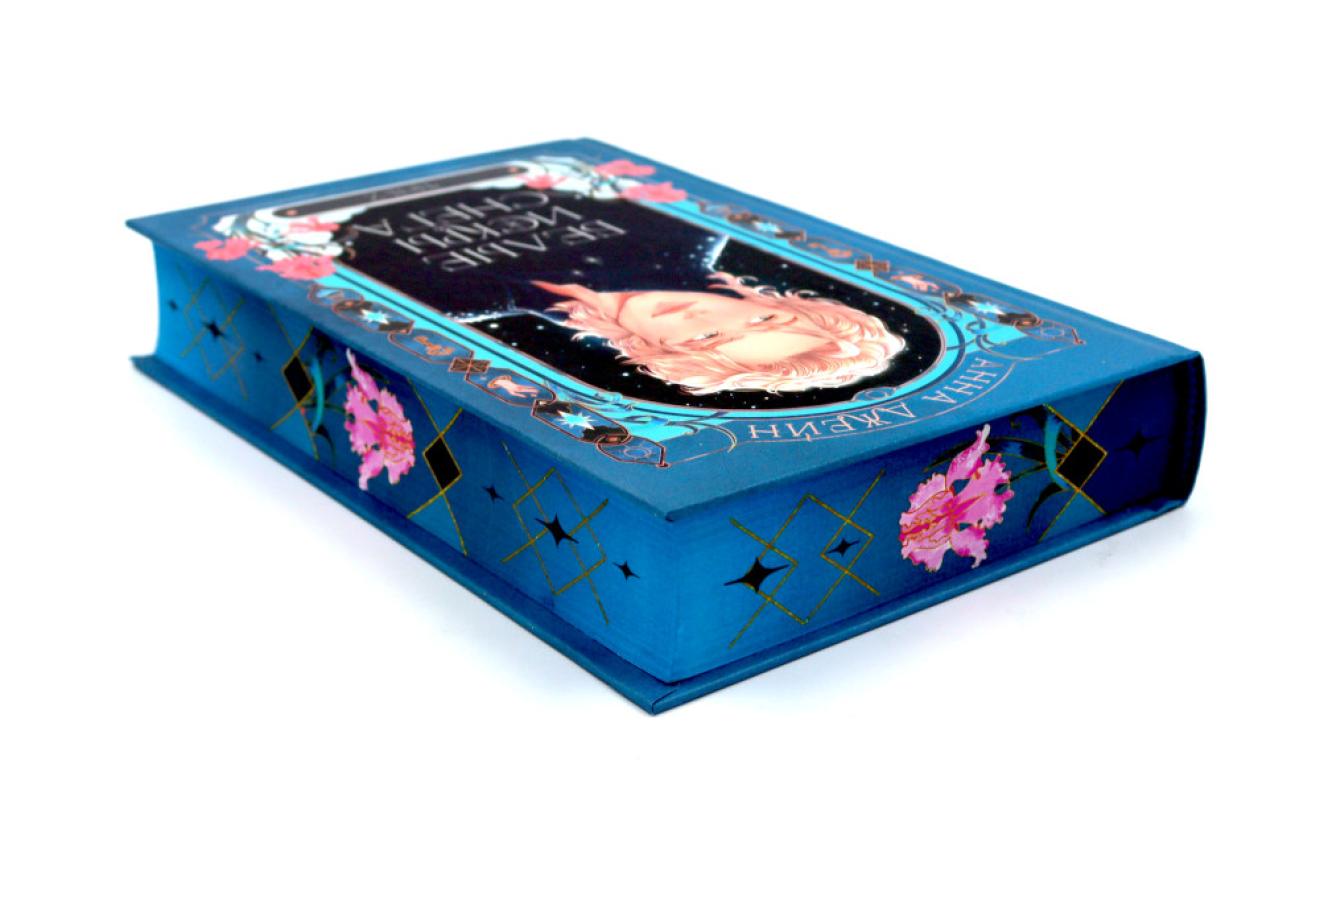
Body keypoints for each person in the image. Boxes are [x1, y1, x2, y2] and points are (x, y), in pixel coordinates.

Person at [532, 271, 905, 395]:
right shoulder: (685, 240)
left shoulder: (509, 303)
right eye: (763, 319)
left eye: (707, 338)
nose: (699, 316)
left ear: (661, 351)